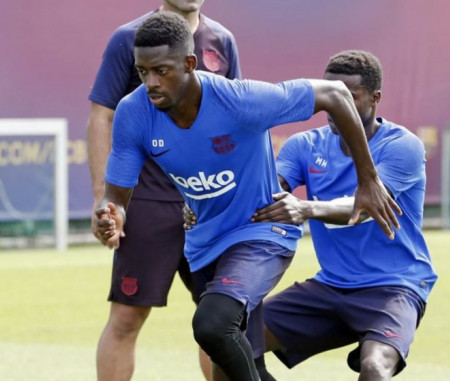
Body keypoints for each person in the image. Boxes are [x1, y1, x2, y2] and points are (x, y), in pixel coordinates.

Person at [94, 13, 401, 381]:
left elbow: (334, 95)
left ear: (189, 64)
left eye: (161, 71)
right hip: (205, 240)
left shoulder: (240, 100)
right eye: (143, 72)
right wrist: (112, 216)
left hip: (260, 233)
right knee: (235, 364)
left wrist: (368, 181)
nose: (151, 83)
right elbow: (117, 194)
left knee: (212, 324)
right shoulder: (133, 112)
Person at [252, 50, 437, 381]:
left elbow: (364, 208)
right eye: (330, 95)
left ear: (375, 98)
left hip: (395, 286)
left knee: (374, 367)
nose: (335, 106)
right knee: (227, 342)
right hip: (331, 285)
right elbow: (263, 194)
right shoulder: (303, 146)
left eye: (348, 97)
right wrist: (203, 205)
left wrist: (305, 208)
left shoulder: (402, 146)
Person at [86, 1, 241, 380]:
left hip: (209, 206)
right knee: (125, 317)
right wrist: (103, 198)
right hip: (147, 202)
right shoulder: (129, 38)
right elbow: (102, 115)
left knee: (219, 323)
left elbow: (238, 116)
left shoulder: (222, 40)